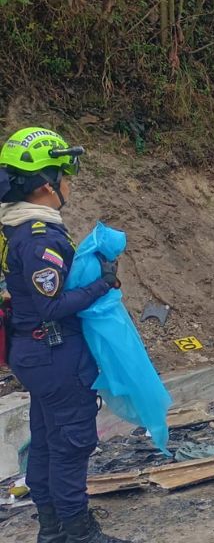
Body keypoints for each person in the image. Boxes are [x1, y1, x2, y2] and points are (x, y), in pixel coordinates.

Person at [0, 127, 128, 543]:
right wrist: (103, 283)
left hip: (34, 351)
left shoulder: (15, 229)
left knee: (48, 440)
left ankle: (52, 530)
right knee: (71, 442)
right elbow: (51, 305)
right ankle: (79, 532)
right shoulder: (39, 239)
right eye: (65, 176)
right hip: (53, 350)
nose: (68, 184)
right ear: (44, 185)